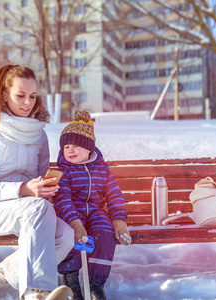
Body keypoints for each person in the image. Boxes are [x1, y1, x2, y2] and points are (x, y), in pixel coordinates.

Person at [0, 64, 74, 300]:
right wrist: (23, 189)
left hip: (30, 209)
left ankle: (1, 274)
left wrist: (44, 188)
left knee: (65, 236)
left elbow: (39, 180)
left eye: (33, 96)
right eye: (20, 95)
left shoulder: (39, 134)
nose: (27, 103)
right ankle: (37, 292)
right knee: (37, 208)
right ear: (4, 95)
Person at [53, 111, 132, 300]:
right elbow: (62, 199)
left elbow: (114, 193)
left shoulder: (101, 167)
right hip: (71, 214)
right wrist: (76, 224)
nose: (70, 150)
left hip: (95, 212)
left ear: (89, 149)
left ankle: (96, 283)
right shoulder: (63, 170)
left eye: (76, 146)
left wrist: (119, 220)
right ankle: (70, 280)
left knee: (105, 233)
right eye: (67, 146)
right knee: (68, 236)